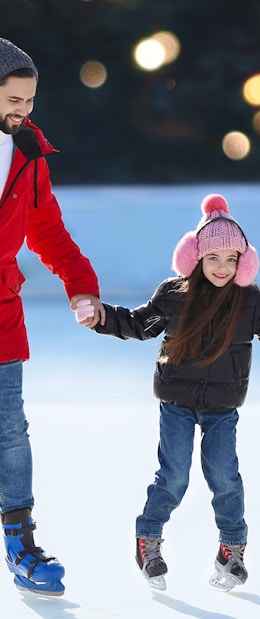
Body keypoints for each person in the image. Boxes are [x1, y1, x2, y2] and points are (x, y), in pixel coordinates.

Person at [75, 193, 260, 592]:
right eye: (213, 258)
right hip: (176, 404)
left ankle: (231, 549)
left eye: (231, 259)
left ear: (243, 263)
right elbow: (136, 323)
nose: (222, 267)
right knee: (174, 476)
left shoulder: (250, 302)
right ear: (195, 258)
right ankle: (148, 539)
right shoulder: (175, 294)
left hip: (222, 409)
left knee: (224, 476)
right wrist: (101, 317)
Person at [0, 38, 105, 596]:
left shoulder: (27, 154)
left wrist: (81, 287)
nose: (24, 110)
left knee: (10, 431)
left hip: (1, 313)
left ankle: (20, 542)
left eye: (31, 100)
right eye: (14, 99)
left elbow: (48, 233)